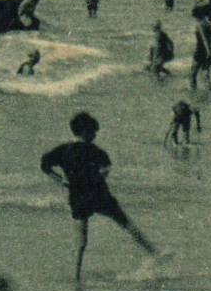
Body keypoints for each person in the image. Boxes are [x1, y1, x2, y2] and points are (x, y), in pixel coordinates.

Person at [40, 111, 158, 280]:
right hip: (98, 194)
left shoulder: (63, 150)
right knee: (125, 222)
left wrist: (59, 180)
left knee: (81, 239)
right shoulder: (96, 151)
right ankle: (153, 252)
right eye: (93, 132)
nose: (95, 135)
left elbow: (44, 165)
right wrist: (97, 176)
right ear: (87, 132)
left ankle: (76, 275)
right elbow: (105, 169)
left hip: (77, 196)